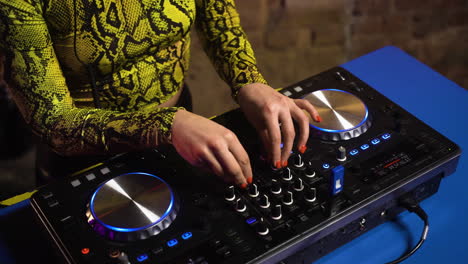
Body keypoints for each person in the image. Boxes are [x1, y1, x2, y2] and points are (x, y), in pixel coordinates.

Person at [0, 0, 320, 188]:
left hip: (181, 125)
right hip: (86, 159)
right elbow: (52, 121)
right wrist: (167, 125)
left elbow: (217, 20)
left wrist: (249, 80)